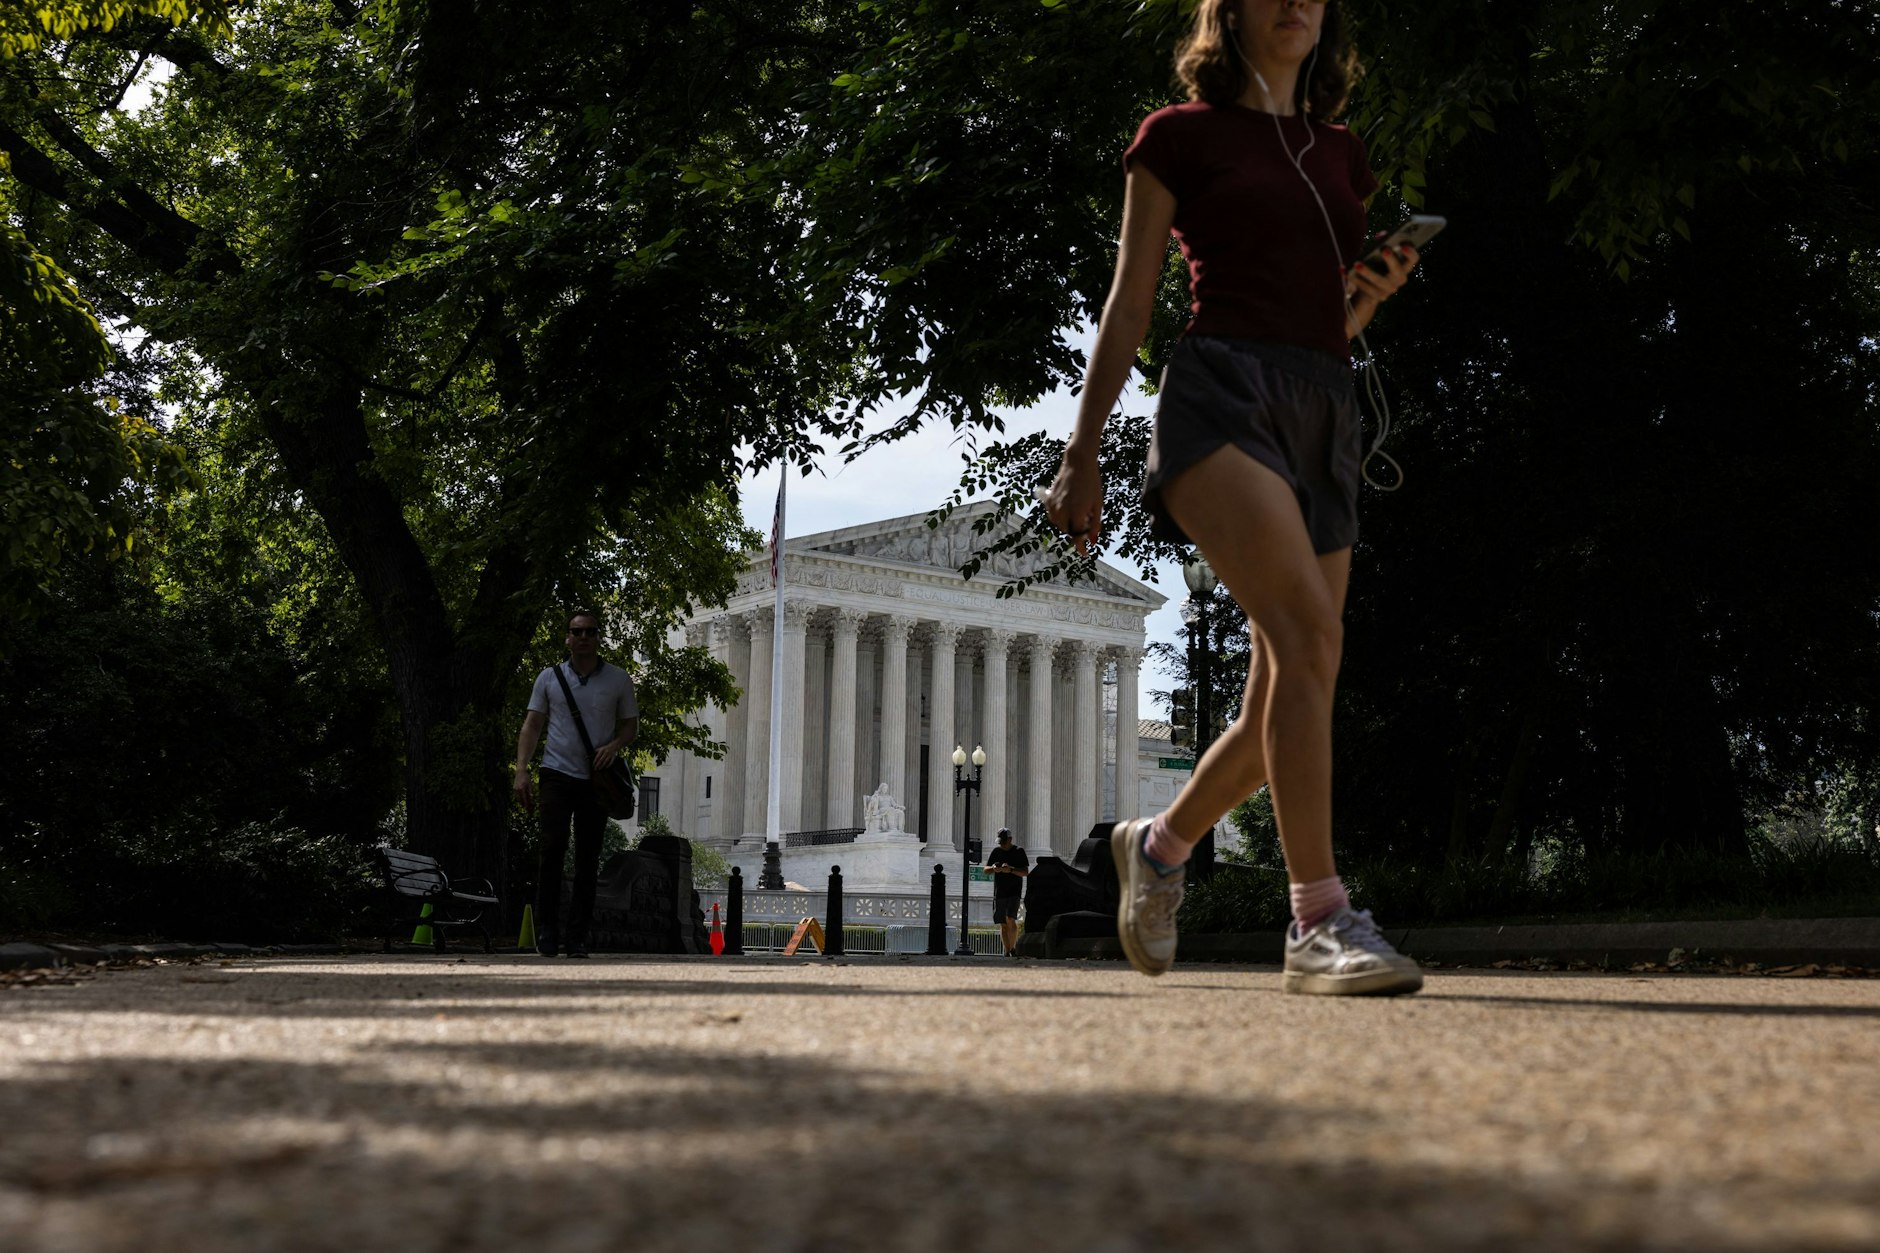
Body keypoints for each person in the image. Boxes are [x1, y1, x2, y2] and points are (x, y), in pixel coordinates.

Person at [1042, 0, 1424, 994]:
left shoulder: (1339, 152)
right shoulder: (1175, 137)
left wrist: (1368, 294)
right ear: (1230, 10)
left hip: (1322, 405)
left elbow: (1319, 317)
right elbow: (1130, 295)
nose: (1295, 0)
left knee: (1286, 693)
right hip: (1219, 395)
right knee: (1307, 641)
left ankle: (1157, 847)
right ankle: (1316, 920)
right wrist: (1081, 451)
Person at [512, 610, 638, 958]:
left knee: (588, 858)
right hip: (555, 773)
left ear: (599, 637)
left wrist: (614, 747)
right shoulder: (549, 678)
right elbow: (532, 725)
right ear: (567, 637)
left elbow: (630, 725)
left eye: (590, 632)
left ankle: (578, 936)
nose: (583, 637)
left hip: (595, 779)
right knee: (551, 851)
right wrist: (522, 770)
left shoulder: (618, 679)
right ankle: (547, 931)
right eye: (576, 631)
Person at [983, 828, 1030, 957]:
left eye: (1004, 842)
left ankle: (1013, 948)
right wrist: (993, 868)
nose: (1002, 845)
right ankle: (1007, 950)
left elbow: (1025, 872)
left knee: (1011, 918)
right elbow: (985, 869)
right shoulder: (996, 851)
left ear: (1010, 839)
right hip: (999, 891)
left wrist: (1010, 870)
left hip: (1014, 891)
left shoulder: (1018, 851)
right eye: (1000, 842)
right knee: (1003, 923)